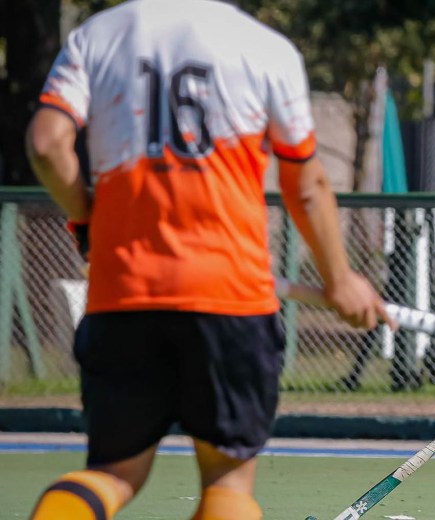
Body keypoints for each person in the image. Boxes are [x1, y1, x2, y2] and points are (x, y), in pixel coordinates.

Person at [25, 1, 394, 518]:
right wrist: (339, 279)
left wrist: (88, 222)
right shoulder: (266, 48)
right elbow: (306, 186)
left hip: (124, 295)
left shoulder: (95, 36)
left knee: (111, 474)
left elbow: (46, 145)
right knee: (227, 484)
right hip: (231, 298)